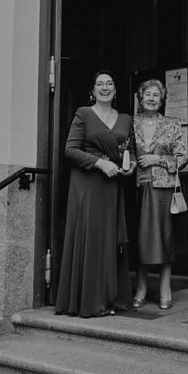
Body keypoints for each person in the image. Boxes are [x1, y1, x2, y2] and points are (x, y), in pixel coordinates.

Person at [55, 70, 137, 317]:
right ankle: (90, 302)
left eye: (109, 83)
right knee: (92, 240)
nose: (105, 87)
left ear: (115, 90)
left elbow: (130, 150)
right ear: (92, 90)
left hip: (113, 186)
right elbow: (70, 150)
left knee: (110, 242)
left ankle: (110, 298)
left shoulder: (125, 119)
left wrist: (130, 165)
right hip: (88, 185)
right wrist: (100, 163)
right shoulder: (84, 114)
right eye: (99, 83)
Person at [132, 79, 188, 310]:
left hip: (164, 189)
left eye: (156, 95)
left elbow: (183, 157)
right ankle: (141, 287)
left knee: (164, 238)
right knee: (140, 239)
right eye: (148, 94)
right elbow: (123, 152)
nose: (152, 98)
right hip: (136, 187)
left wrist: (159, 159)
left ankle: (165, 288)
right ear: (140, 98)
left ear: (161, 99)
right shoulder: (130, 123)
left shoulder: (172, 124)